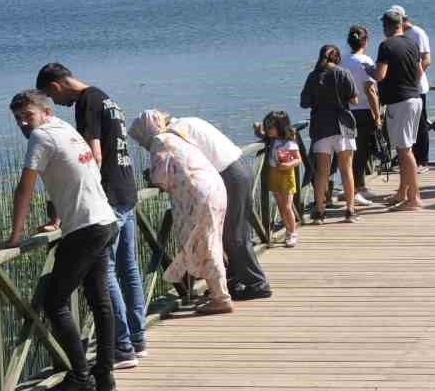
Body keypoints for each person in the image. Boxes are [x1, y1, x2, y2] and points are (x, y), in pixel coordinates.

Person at [2, 90, 119, 391]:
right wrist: (55, 220)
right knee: (99, 299)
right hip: (105, 220)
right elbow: (70, 175)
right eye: (18, 119)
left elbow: (24, 189)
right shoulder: (67, 130)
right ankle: (104, 376)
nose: (24, 124)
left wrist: (14, 237)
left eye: (28, 115)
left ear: (46, 111)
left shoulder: (40, 137)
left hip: (86, 229)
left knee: (55, 302)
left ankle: (81, 376)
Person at [35, 63, 144, 367]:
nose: (56, 104)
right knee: (129, 268)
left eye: (50, 97)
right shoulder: (106, 98)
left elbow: (92, 153)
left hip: (106, 195)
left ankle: (122, 347)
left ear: (56, 86)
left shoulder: (86, 102)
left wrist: (66, 204)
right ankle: (137, 338)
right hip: (127, 190)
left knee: (107, 273)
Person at [125, 112, 235, 314]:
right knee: (211, 241)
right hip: (214, 189)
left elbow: (159, 177)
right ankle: (216, 292)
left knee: (206, 245)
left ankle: (221, 298)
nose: (141, 144)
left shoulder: (159, 141)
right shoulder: (176, 135)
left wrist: (150, 176)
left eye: (140, 138)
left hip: (199, 196)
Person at [161, 113, 272, 301]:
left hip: (229, 174)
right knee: (230, 233)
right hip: (238, 168)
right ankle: (233, 281)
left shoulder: (176, 132)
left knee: (233, 235)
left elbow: (186, 161)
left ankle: (257, 283)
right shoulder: (188, 122)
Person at [301, 45, 360, 221]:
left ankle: (319, 211)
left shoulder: (313, 76)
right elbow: (354, 99)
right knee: (346, 169)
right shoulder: (343, 73)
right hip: (343, 126)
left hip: (321, 127)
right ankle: (350, 210)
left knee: (321, 172)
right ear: (338, 58)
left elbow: (304, 103)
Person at [374, 9, 424, 211]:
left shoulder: (386, 45)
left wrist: (370, 71)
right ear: (401, 25)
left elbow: (379, 75)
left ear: (386, 26)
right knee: (405, 148)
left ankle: (414, 198)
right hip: (415, 98)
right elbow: (420, 72)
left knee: (404, 151)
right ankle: (402, 192)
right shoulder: (412, 43)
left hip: (399, 102)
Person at [386, 6, 433, 170]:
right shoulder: (394, 37)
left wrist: (413, 78)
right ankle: (404, 158)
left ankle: (423, 160)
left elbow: (426, 59)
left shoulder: (417, 33)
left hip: (417, 87)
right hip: (401, 88)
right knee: (403, 127)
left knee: (420, 125)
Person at [341, 25, 381, 207]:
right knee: (362, 151)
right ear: (365, 41)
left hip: (347, 111)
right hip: (364, 110)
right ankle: (356, 189)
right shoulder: (365, 60)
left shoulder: (342, 60)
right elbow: (370, 90)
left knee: (350, 151)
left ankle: (359, 186)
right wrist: (377, 115)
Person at [257, 111, 304, 244]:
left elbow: (298, 159)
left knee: (287, 206)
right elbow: (262, 135)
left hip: (286, 175)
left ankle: (292, 232)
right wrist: (258, 130)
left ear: (280, 127)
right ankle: (288, 229)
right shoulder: (272, 139)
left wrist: (288, 164)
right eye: (266, 127)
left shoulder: (290, 142)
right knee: (280, 206)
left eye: (270, 127)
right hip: (274, 174)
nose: (268, 130)